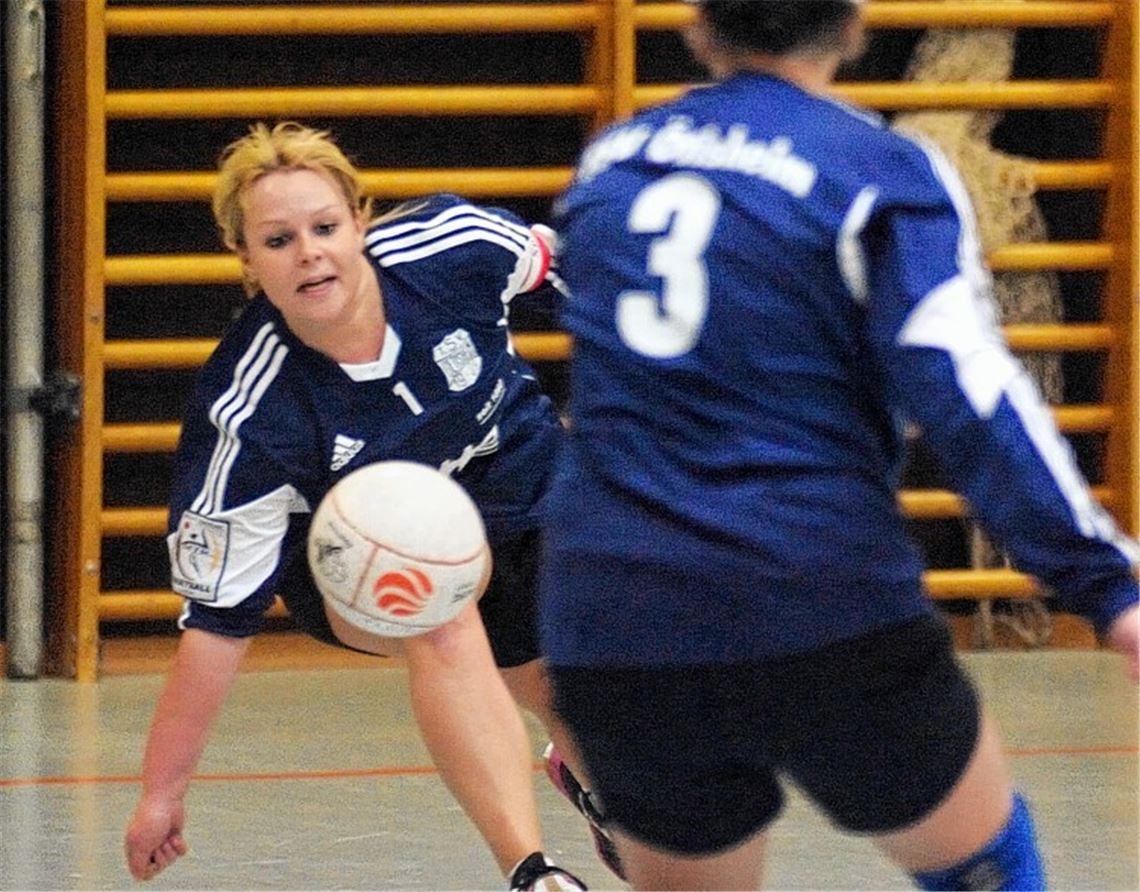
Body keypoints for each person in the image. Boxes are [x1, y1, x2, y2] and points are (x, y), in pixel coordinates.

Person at [537, 2, 1140, 890]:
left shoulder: (612, 160)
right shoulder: (876, 169)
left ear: (701, 30)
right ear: (852, 27)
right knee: (987, 868)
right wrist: (1108, 584)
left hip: (616, 606)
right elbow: (967, 392)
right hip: (813, 591)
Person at [122, 121, 591, 892]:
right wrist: (160, 794)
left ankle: (592, 772)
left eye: (325, 227)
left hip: (516, 475)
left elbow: (581, 286)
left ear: (361, 223)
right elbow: (214, 630)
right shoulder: (250, 415)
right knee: (437, 597)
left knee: (572, 695)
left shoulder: (453, 248)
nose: (308, 251)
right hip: (351, 552)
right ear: (246, 261)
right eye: (278, 240)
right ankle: (534, 874)